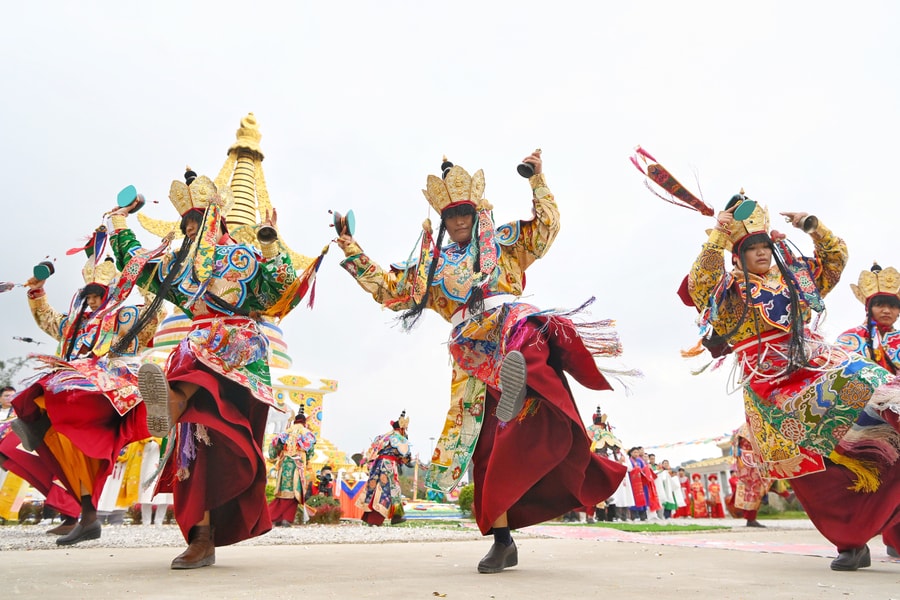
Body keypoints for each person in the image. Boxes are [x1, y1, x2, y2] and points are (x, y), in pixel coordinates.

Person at [335, 151, 627, 573]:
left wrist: (537, 180)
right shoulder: (430, 267)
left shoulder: (504, 242)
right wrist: (350, 247)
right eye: (450, 215)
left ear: (476, 211)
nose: (458, 222)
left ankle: (523, 379)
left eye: (464, 213)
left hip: (509, 323)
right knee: (485, 448)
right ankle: (503, 541)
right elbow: (388, 289)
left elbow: (546, 229)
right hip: (470, 353)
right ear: (442, 219)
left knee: (526, 329)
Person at [686, 193, 900, 570]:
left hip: (816, 366)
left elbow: (835, 261)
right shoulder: (730, 292)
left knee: (871, 380)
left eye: (765, 245)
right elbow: (699, 283)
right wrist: (718, 233)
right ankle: (850, 541)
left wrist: (812, 227)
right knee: (813, 473)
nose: (761, 253)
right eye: (751, 248)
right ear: (737, 256)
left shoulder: (796, 281)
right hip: (770, 389)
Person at [109, 169, 299, 569]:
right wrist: (120, 223)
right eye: (187, 223)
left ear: (218, 221)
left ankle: (170, 403)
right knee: (195, 455)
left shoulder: (241, 258)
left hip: (235, 351)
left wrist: (270, 244)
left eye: (199, 220)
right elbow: (136, 265)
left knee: (199, 367)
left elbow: (279, 291)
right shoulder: (179, 267)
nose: (192, 228)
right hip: (193, 347)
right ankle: (201, 538)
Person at [7, 240, 162, 545]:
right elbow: (47, 319)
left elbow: (151, 316)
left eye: (97, 295)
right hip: (72, 388)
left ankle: (41, 421)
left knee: (67, 408)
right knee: (71, 443)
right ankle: (87, 516)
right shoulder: (73, 325)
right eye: (88, 295)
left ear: (109, 295)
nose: (91, 300)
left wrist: (147, 277)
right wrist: (37, 290)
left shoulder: (122, 317)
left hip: (102, 388)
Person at [357, 411, 412, 526]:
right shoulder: (399, 438)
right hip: (388, 465)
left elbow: (372, 451)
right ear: (402, 428)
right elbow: (405, 455)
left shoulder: (383, 437)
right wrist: (406, 460)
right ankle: (381, 518)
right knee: (388, 490)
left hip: (377, 464)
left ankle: (371, 517)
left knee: (376, 487)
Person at [268, 406, 317, 527]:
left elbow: (273, 448)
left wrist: (276, 456)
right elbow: (310, 452)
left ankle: (277, 518)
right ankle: (284, 519)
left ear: (295, 421)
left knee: (283, 493)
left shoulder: (285, 432)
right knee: (295, 494)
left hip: (284, 464)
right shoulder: (307, 434)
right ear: (304, 422)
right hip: (298, 465)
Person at [726, 425, 768, 528]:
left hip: (746, 466)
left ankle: (751, 518)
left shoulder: (741, 429)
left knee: (753, 491)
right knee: (753, 492)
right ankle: (751, 519)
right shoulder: (751, 427)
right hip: (750, 465)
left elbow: (735, 451)